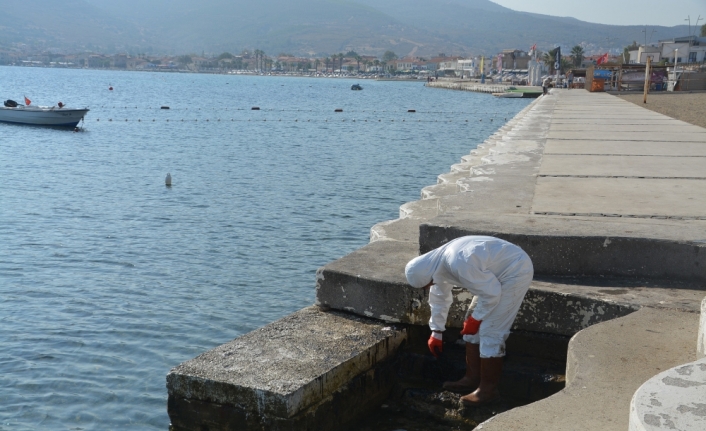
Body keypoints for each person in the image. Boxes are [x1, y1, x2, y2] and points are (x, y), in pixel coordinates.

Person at [405, 236, 533, 406]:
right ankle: (471, 379)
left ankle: (488, 391)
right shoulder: (435, 265)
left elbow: (492, 294)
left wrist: (476, 318)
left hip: (515, 270)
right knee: (471, 329)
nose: (429, 287)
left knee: (490, 330)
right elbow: (439, 296)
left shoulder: (458, 262)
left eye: (427, 285)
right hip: (491, 276)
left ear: (428, 277)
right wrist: (436, 331)